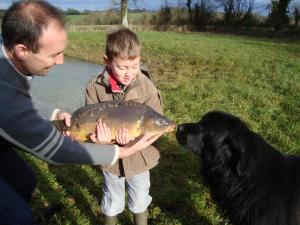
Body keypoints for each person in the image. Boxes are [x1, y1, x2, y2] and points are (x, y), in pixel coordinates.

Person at [0, 1, 162, 224]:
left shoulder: (8, 52)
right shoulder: (3, 94)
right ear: (21, 51)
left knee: (24, 180)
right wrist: (118, 153)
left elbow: (22, 102)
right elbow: (53, 150)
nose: (62, 61)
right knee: (18, 218)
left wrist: (55, 113)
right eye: (55, 54)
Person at [85, 28, 164, 225]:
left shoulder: (147, 87)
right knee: (112, 199)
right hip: (110, 158)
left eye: (134, 66)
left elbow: (157, 125)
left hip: (139, 158)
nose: (129, 73)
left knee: (139, 198)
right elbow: (88, 125)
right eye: (122, 67)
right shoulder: (94, 87)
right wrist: (98, 140)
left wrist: (133, 142)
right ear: (107, 61)